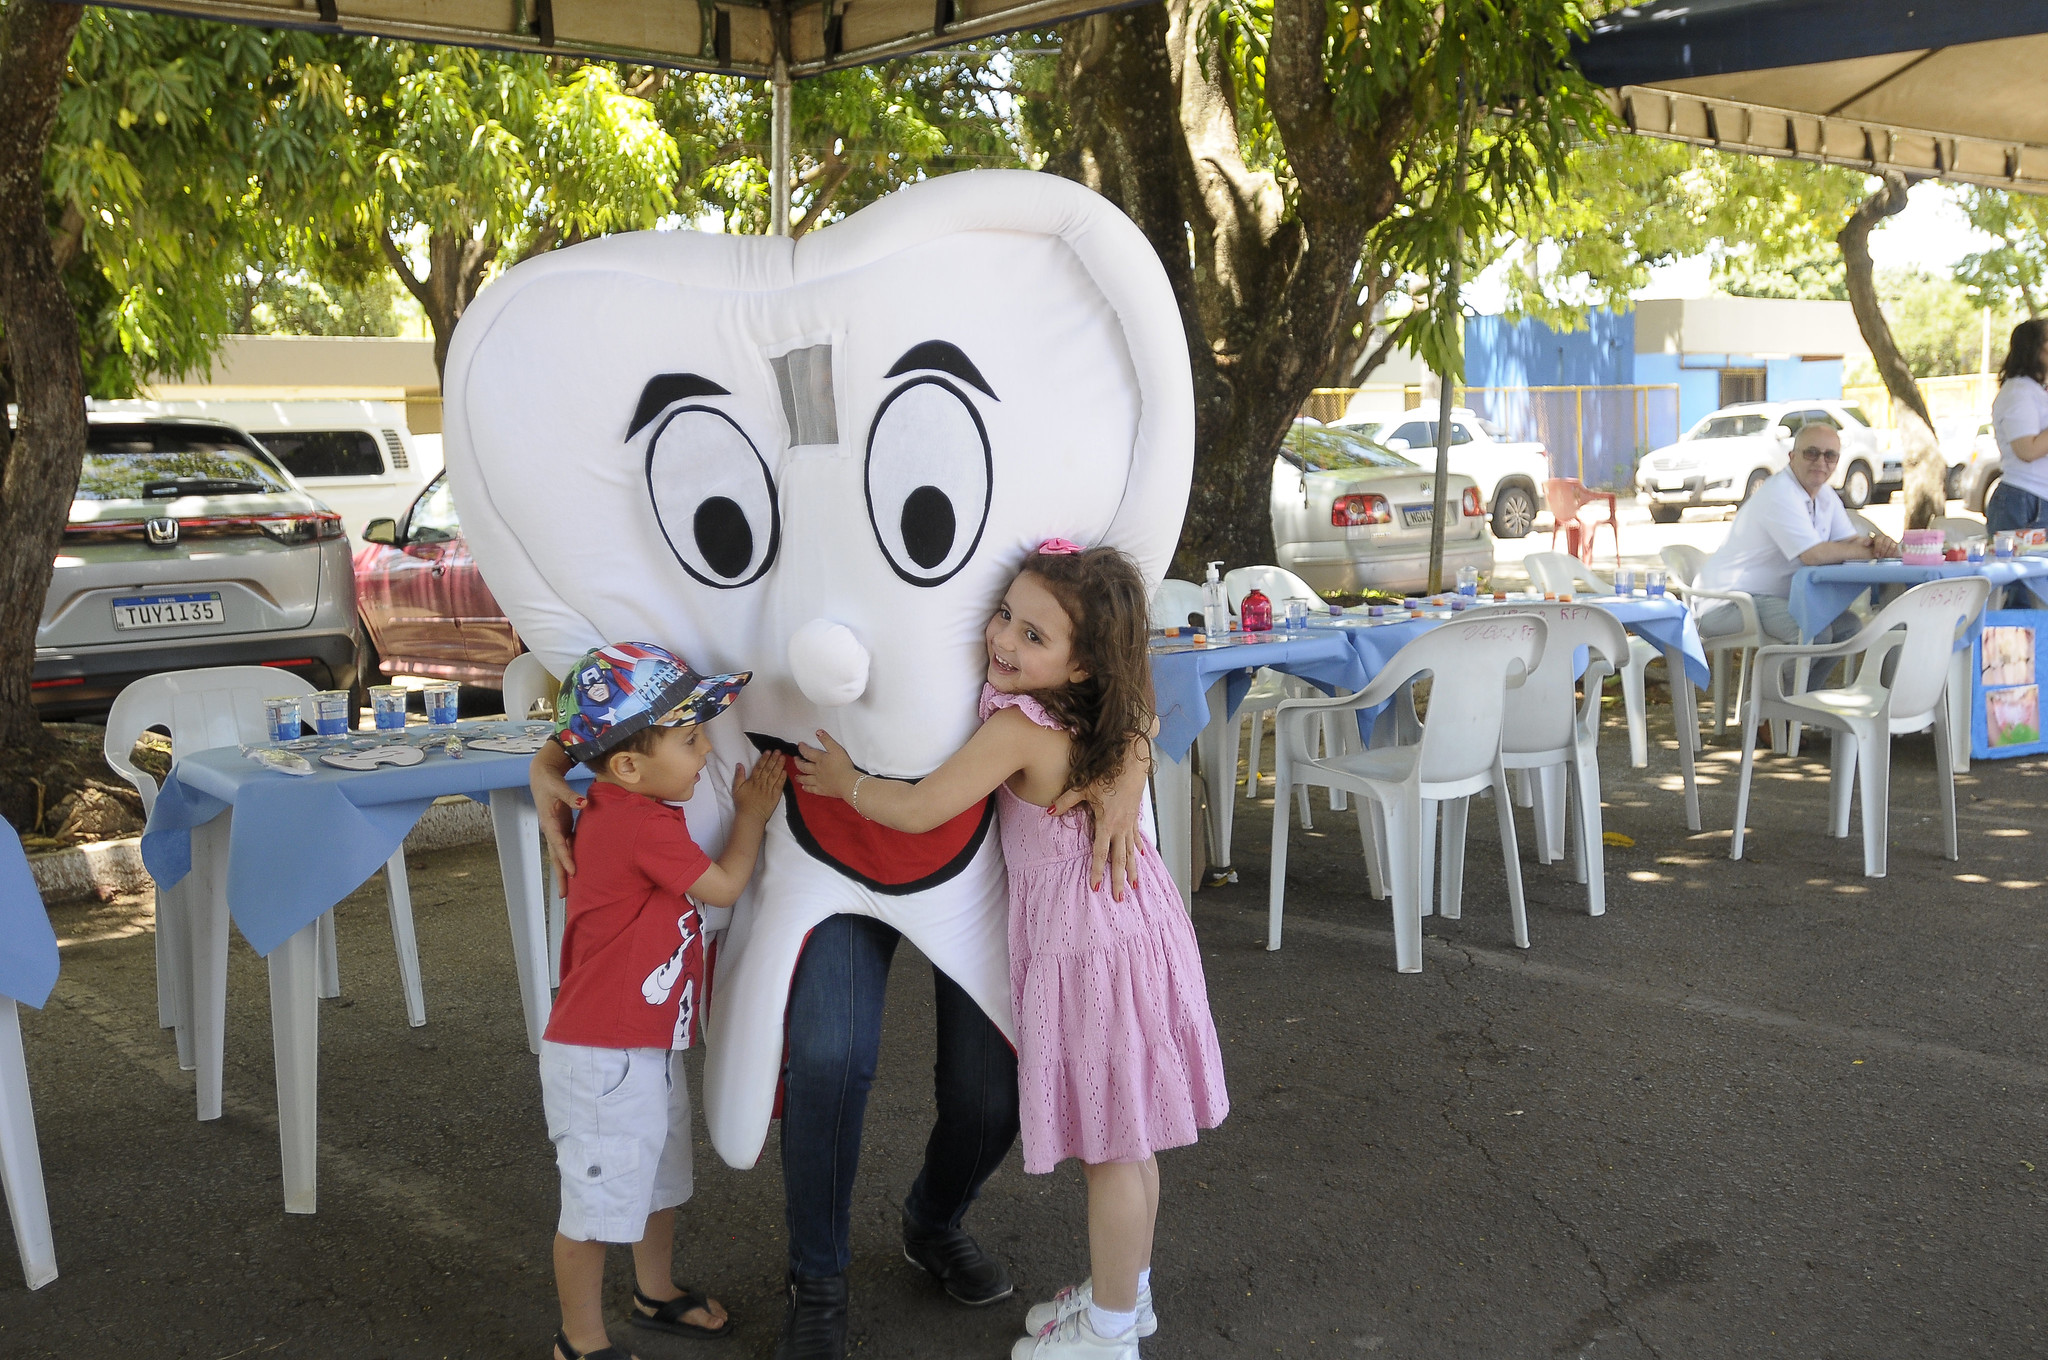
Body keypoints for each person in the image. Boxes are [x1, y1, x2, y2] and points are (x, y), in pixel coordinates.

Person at [793, 541, 1229, 1360]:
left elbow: (923, 807)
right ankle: (1125, 1300)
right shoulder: (1107, 707)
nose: (1004, 640)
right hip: (1136, 928)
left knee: (1111, 1151)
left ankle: (1107, 1337)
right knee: (1131, 1141)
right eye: (1005, 616)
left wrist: (846, 780)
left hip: (1086, 946)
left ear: (1079, 663)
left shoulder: (1018, 727)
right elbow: (1146, 720)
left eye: (1034, 636)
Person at [539, 642, 786, 1360]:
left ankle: (654, 1291)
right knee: (592, 1208)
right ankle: (579, 1342)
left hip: (639, 1044)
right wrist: (752, 813)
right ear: (627, 765)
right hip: (603, 1058)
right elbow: (726, 885)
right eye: (690, 739)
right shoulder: (638, 824)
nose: (706, 749)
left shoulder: (629, 803)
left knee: (653, 1179)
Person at [1695, 422, 1900, 685]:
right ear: (1792, 457)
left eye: (1830, 455)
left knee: (1849, 628)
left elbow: (1849, 542)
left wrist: (1875, 545)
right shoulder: (1780, 492)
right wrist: (1872, 550)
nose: (1821, 462)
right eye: (1811, 453)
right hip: (1726, 603)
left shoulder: (1824, 495)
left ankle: (1802, 705)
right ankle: (1769, 709)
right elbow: (1812, 555)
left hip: (1768, 599)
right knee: (1813, 632)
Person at [1988, 317, 2048, 535]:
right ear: (2034, 349)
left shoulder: (2037, 391)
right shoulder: (2018, 392)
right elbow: (2027, 450)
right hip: (2025, 500)